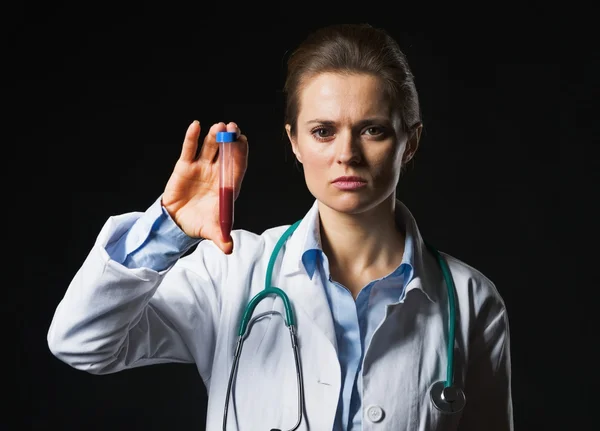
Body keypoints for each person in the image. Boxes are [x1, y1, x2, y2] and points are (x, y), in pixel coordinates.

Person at [47, 23, 513, 431]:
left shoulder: (469, 301)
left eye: (373, 129)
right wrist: (169, 228)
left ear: (409, 143)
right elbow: (82, 342)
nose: (345, 154)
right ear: (294, 141)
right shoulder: (230, 272)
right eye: (323, 131)